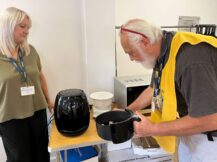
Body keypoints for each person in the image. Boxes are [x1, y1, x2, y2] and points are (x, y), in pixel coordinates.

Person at [119, 19, 217, 162]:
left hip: (210, 137)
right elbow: (154, 88)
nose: (131, 59)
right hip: (190, 123)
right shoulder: (165, 49)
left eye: (131, 53)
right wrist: (128, 111)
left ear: (145, 42)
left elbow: (210, 119)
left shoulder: (190, 60)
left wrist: (151, 129)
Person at [0, 7, 53, 162]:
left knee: (42, 155)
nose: (27, 31)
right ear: (7, 26)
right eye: (22, 26)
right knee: (19, 158)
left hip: (37, 112)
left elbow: (41, 77)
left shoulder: (30, 51)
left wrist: (48, 100)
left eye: (28, 27)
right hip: (10, 118)